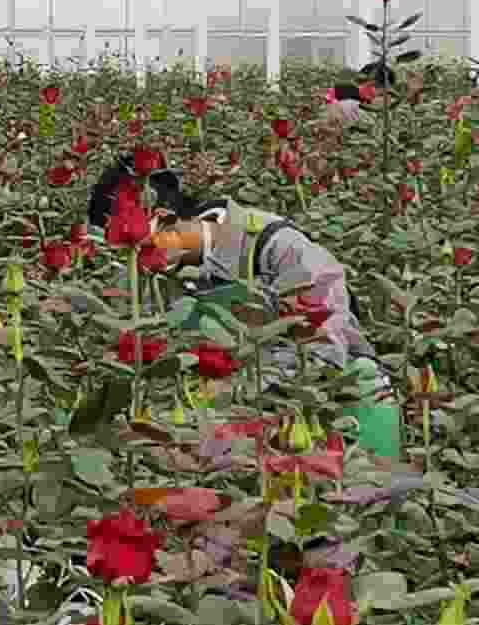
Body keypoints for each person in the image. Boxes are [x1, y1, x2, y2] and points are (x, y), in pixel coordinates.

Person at [83, 162, 400, 457]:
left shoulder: (278, 245)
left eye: (136, 247)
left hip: (334, 398)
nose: (133, 260)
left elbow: (324, 348)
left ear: (164, 218)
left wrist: (237, 392)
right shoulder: (155, 276)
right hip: (243, 413)